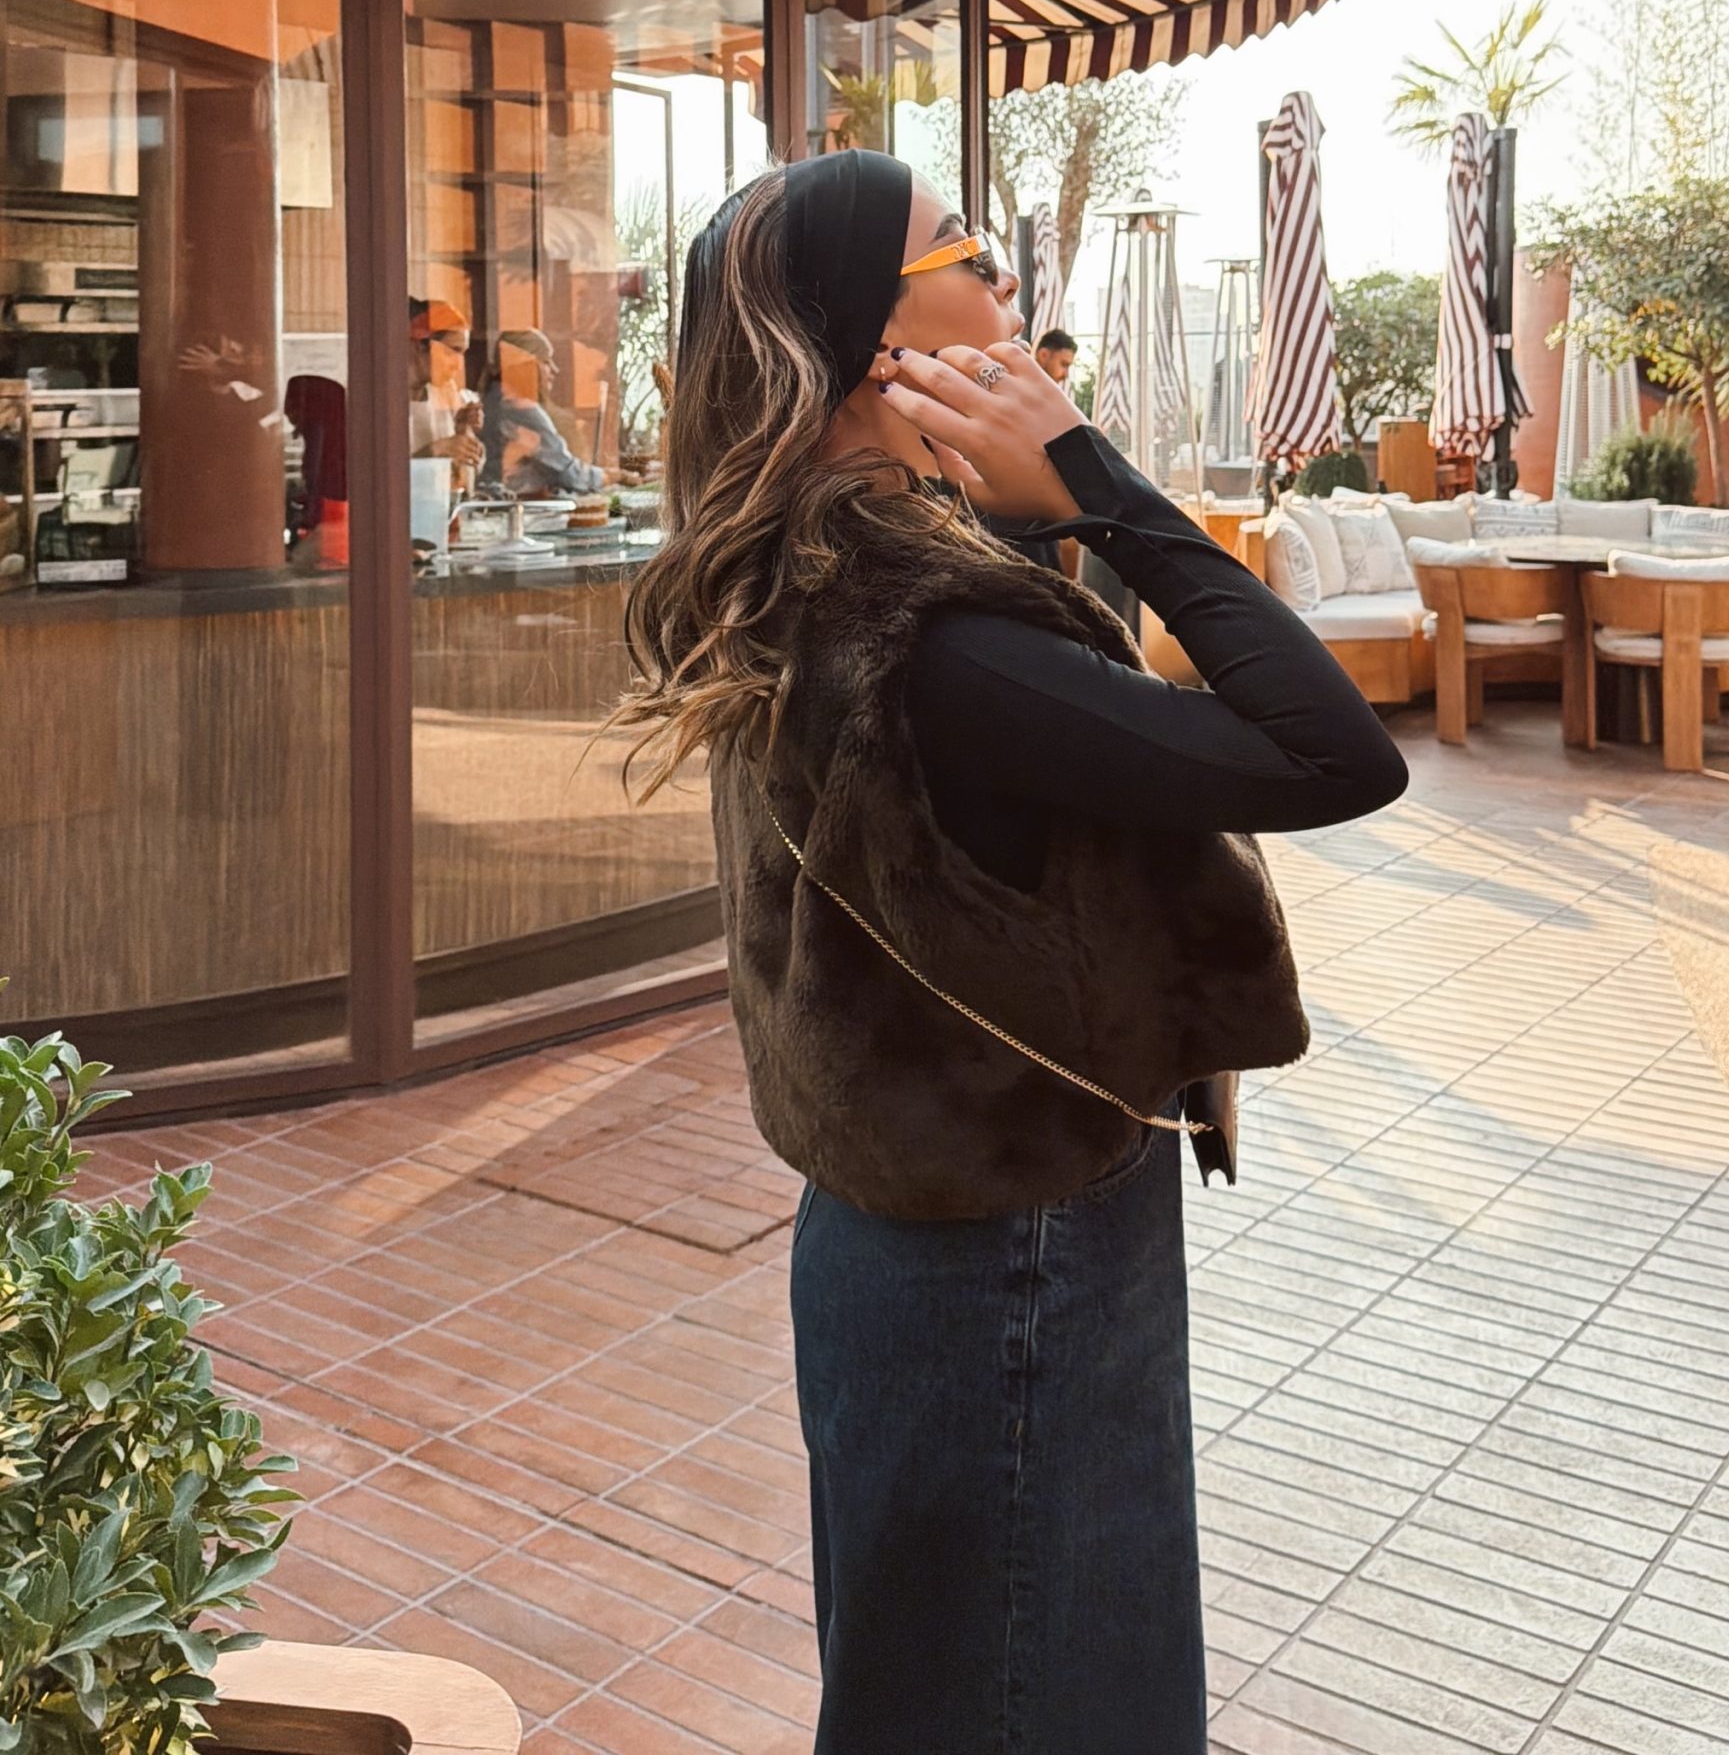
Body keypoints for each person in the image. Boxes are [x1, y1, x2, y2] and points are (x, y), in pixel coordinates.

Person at [620, 151, 1406, 1755]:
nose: (1012, 287)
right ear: (874, 344)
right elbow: (1335, 756)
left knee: (947, 1687)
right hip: (1007, 1263)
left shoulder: (818, 576)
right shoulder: (929, 634)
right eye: (968, 256)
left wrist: (1029, 518)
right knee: (1034, 1701)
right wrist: (1104, 485)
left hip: (913, 1232)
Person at [480, 328, 606, 496]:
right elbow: (569, 474)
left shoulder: (492, 400)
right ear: (526, 366)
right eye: (546, 362)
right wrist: (614, 476)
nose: (555, 369)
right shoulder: (521, 408)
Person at [407, 298, 482, 473]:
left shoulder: (447, 394)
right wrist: (435, 451)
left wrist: (462, 431)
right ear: (419, 345)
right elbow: (376, 477)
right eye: (453, 351)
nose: (459, 365)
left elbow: (466, 475)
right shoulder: (376, 401)